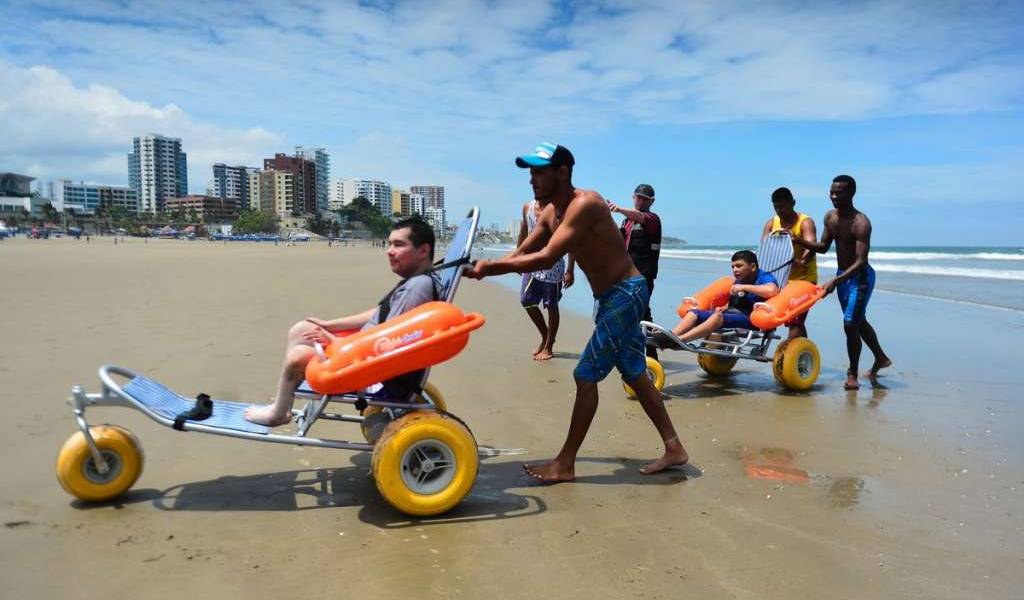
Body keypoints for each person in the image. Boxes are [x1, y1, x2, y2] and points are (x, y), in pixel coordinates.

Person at [466, 142, 688, 482]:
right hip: (613, 295)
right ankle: (674, 447)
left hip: (626, 293)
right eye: (530, 173)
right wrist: (483, 265)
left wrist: (491, 267)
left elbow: (546, 257)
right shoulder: (551, 213)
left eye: (539, 172)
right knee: (633, 372)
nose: (532, 180)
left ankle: (565, 463)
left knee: (585, 375)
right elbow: (527, 248)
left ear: (563, 172)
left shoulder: (586, 204)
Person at [246, 217, 440, 426]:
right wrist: (330, 325)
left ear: (423, 251)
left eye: (399, 245)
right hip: (364, 354)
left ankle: (278, 414)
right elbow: (380, 313)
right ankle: (283, 403)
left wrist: (335, 343)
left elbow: (389, 343)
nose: (389, 251)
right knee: (301, 330)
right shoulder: (418, 281)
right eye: (390, 244)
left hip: (376, 372)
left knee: (297, 357)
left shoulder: (417, 288)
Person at [792, 175, 892, 390]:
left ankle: (852, 374)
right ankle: (881, 358)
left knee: (849, 324)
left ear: (851, 193)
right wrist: (799, 241)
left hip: (860, 277)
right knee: (857, 321)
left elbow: (861, 261)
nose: (834, 196)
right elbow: (824, 247)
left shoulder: (861, 223)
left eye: (839, 192)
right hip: (842, 277)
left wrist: (835, 281)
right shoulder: (830, 218)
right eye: (831, 192)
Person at [658, 250, 779, 344]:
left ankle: (681, 340)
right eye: (733, 267)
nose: (735, 270)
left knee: (717, 317)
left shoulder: (764, 277)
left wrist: (745, 287)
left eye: (739, 266)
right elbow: (737, 302)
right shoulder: (740, 280)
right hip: (734, 314)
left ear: (752, 267)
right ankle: (670, 336)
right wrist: (724, 307)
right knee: (694, 312)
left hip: (752, 319)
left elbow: (771, 290)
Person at [760, 187, 817, 339]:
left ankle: (794, 356)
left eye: (783, 206)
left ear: (793, 203)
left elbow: (810, 251)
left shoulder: (805, 222)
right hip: (779, 278)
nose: (779, 210)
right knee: (762, 313)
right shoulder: (771, 223)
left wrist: (799, 260)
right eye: (776, 207)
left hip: (803, 279)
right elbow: (764, 251)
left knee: (795, 321)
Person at [517, 198, 565, 360]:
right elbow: (523, 231)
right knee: (526, 300)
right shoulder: (527, 208)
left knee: (551, 305)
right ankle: (545, 335)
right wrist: (518, 257)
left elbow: (570, 238)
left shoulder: (559, 210)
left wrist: (571, 269)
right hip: (532, 262)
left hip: (554, 264)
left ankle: (549, 346)